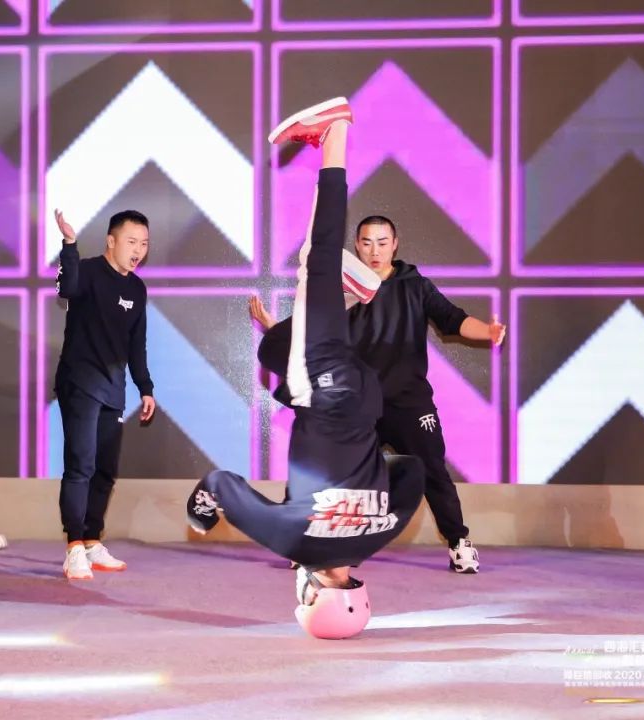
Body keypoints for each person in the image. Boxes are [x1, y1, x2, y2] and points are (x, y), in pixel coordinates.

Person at [187, 98, 425, 639]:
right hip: (324, 388)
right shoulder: (293, 540)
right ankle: (334, 132)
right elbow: (220, 483)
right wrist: (200, 514)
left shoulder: (380, 534)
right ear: (311, 592)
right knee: (318, 258)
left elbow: (411, 471)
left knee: (282, 338)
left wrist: (361, 479)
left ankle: (350, 292)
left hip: (365, 398)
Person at [251, 220, 505, 574]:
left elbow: (453, 319)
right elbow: (310, 329)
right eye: (367, 242)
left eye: (382, 242)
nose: (375, 250)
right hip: (356, 404)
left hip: (408, 402)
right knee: (327, 470)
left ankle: (458, 543)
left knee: (432, 470)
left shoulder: (415, 285)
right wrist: (273, 329)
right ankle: (306, 543)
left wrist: (488, 331)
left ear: (395, 244)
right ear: (357, 245)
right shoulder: (344, 288)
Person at [53, 209, 156, 580]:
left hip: (114, 388)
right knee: (80, 465)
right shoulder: (89, 271)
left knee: (105, 470)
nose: (138, 250)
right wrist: (69, 244)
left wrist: (146, 388)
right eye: (131, 241)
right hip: (79, 381)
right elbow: (66, 288)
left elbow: (136, 344)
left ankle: (92, 540)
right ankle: (73, 546)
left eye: (144, 243)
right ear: (111, 241)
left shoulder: (137, 289)